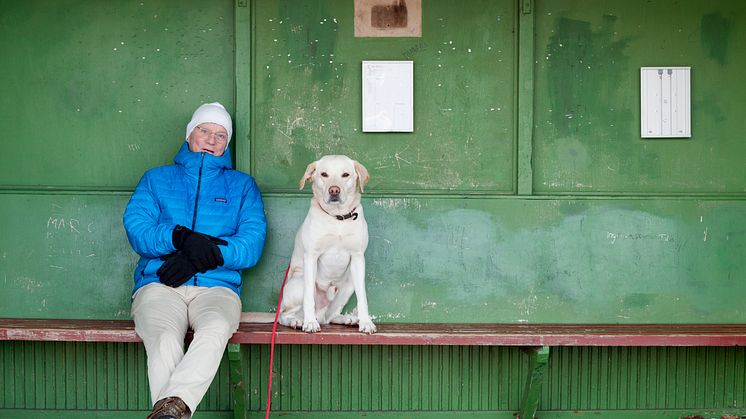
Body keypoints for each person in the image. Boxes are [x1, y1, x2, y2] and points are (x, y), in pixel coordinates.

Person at [123, 102, 267, 419]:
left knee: (216, 329)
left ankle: (170, 410)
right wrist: (179, 237)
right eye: (204, 131)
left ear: (227, 143)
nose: (211, 140)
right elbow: (138, 229)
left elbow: (251, 244)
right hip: (161, 283)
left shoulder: (242, 186)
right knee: (163, 340)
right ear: (190, 134)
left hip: (217, 288)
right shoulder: (156, 179)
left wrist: (201, 257)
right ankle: (174, 411)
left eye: (220, 135)